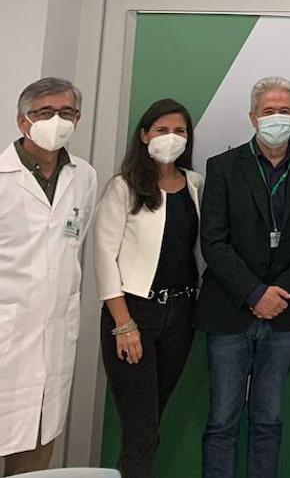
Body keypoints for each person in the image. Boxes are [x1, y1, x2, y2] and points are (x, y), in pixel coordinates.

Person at [196, 76, 290, 478]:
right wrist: (255, 293)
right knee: (222, 420)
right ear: (253, 117)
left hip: (284, 313)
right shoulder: (223, 166)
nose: (277, 117)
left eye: (284, 110)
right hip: (231, 311)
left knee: (269, 420)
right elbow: (213, 241)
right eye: (268, 111)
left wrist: (281, 290)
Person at [93, 98, 203, 478]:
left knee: (152, 420)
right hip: (134, 315)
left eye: (180, 131)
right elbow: (104, 258)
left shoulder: (195, 185)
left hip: (182, 315)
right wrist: (124, 325)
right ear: (143, 135)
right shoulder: (123, 187)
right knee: (139, 428)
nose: (171, 138)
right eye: (161, 130)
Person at [0, 77, 98, 475]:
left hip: (54, 336)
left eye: (66, 112)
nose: (57, 120)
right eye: (44, 112)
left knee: (35, 457)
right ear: (23, 121)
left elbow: (72, 247)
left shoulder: (84, 177)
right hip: (7, 330)